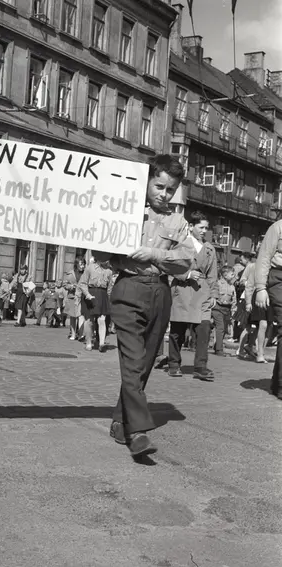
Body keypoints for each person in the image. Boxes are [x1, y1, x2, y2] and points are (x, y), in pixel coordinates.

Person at [94, 155, 193, 457]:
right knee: (133, 360)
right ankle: (137, 432)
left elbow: (186, 261)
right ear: (146, 181)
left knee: (146, 361)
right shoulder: (124, 210)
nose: (164, 194)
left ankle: (120, 422)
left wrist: (154, 253)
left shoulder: (178, 221)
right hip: (128, 287)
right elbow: (99, 253)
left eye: (170, 189)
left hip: (160, 292)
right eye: (159, 186)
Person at [167, 211, 219, 381]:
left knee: (204, 330)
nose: (204, 231)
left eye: (206, 228)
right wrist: (187, 274)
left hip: (202, 293)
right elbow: (168, 266)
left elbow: (213, 274)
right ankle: (174, 364)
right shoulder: (179, 244)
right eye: (201, 227)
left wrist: (213, 294)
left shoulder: (209, 249)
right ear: (191, 226)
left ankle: (200, 367)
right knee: (178, 331)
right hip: (182, 291)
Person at [254, 221, 282, 398]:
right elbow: (264, 256)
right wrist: (260, 288)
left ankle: (276, 382)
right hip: (279, 278)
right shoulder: (278, 227)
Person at [76, 255, 113, 353]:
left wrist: (109, 300)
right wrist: (87, 294)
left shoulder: (109, 271)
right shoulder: (89, 268)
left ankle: (101, 343)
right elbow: (83, 283)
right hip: (90, 294)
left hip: (103, 295)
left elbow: (110, 287)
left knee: (102, 319)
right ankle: (88, 343)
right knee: (89, 320)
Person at [212, 266, 236, 357]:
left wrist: (233, 309)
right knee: (220, 328)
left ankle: (216, 345)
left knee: (224, 329)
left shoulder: (232, 286)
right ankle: (219, 349)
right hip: (218, 308)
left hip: (227, 309)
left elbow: (234, 299)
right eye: (232, 274)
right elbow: (213, 295)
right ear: (225, 275)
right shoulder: (218, 284)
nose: (234, 276)